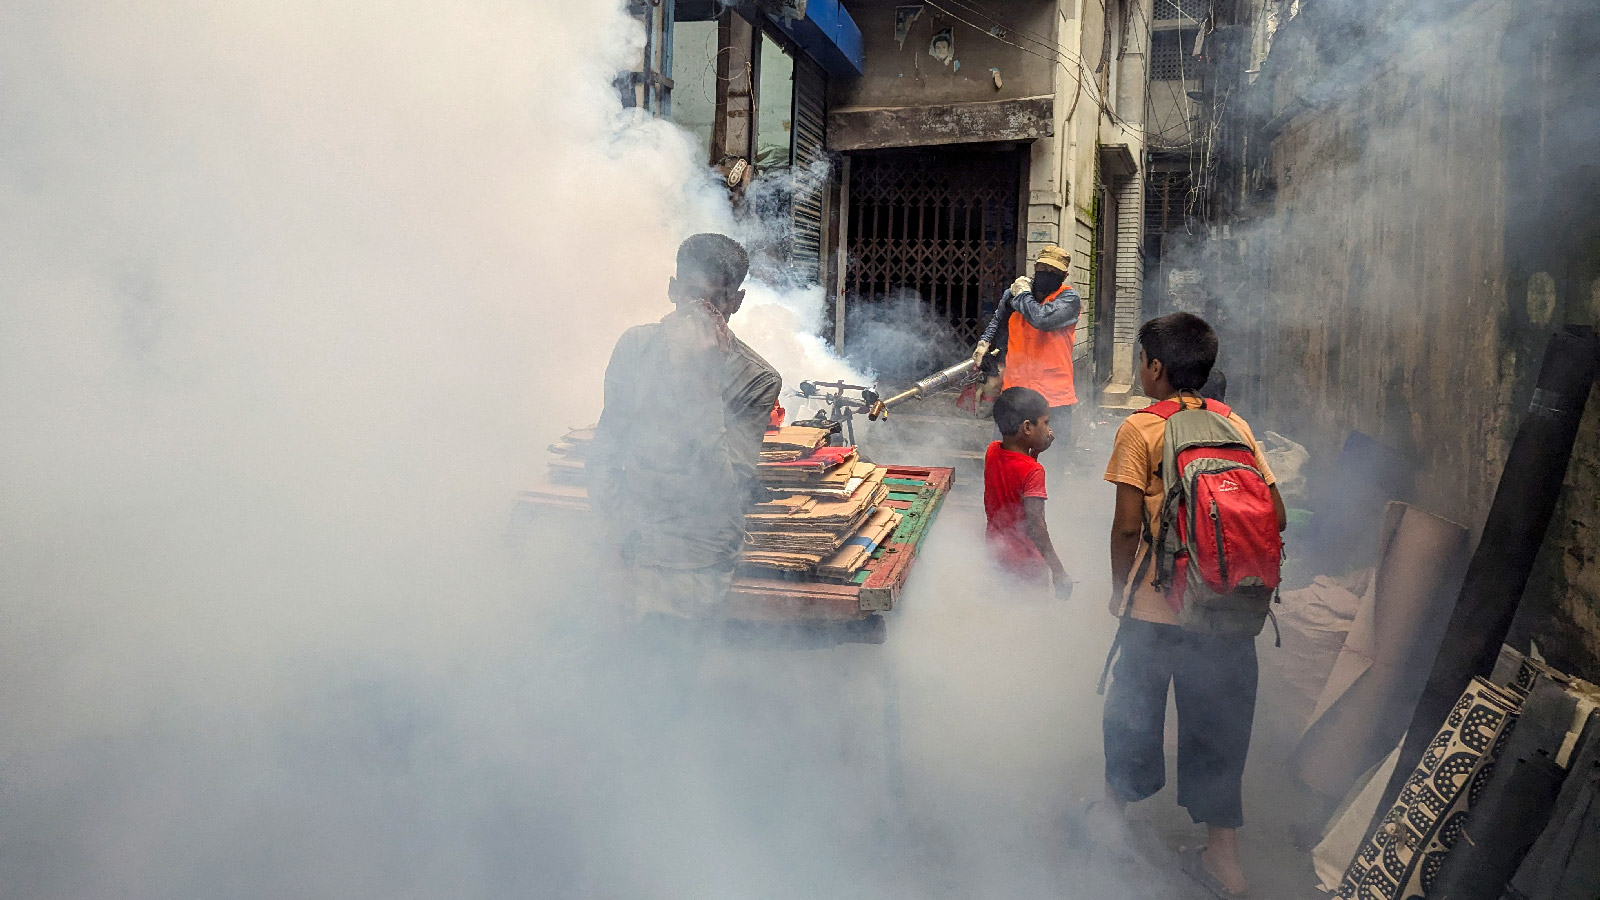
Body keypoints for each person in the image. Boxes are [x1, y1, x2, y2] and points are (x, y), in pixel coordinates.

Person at [1100, 313, 1286, 897]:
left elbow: (1127, 528)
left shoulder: (1141, 429)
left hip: (1157, 612)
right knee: (1220, 728)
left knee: (1132, 713)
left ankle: (1111, 824)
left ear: (1155, 369)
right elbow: (1274, 515)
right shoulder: (1234, 423)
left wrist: (1118, 591)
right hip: (1228, 612)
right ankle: (1223, 860)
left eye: (1141, 361)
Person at [588, 234, 782, 625]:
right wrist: (612, 535)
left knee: (669, 666)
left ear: (736, 303)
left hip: (698, 556)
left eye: (717, 301)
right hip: (632, 538)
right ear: (673, 291)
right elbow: (606, 453)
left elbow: (723, 491)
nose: (701, 312)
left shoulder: (757, 378)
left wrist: (703, 382)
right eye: (692, 295)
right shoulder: (636, 347)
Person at [973, 245, 1082, 453]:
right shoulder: (1014, 294)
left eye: (1054, 273)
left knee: (1052, 463)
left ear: (1064, 275)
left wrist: (1022, 295)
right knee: (1004, 457)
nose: (1047, 275)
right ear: (1036, 267)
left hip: (1054, 398)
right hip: (1016, 394)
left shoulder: (1069, 299)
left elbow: (1041, 319)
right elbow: (998, 320)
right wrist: (985, 346)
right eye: (1043, 269)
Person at [984, 386, 1072, 599]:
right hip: (1026, 564)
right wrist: (1058, 571)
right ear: (1027, 427)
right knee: (1029, 617)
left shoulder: (992, 450)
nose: (1049, 430)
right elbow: (1035, 525)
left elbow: (1014, 475)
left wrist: (1034, 453)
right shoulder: (1034, 471)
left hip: (995, 554)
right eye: (1046, 422)